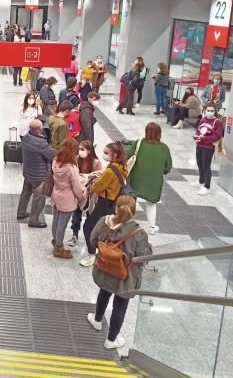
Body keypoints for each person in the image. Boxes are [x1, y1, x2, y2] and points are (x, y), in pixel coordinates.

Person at [87, 196, 152, 349]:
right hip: (126, 277)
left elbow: (93, 240)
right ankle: (111, 340)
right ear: (133, 213)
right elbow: (143, 258)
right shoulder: (138, 233)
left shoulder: (104, 221)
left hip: (105, 269)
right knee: (120, 305)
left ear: (116, 208)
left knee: (104, 292)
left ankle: (97, 320)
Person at [80, 142, 128, 267]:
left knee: (88, 226)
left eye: (107, 153)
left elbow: (96, 186)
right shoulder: (121, 167)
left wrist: (96, 180)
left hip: (104, 203)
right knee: (106, 228)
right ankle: (103, 251)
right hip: (114, 203)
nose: (104, 155)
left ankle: (92, 253)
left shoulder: (110, 171)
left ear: (115, 154)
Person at [126, 122, 172, 234]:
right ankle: (152, 227)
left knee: (131, 201)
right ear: (159, 133)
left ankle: (127, 223)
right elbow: (167, 168)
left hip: (137, 178)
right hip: (154, 182)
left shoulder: (139, 143)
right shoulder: (164, 148)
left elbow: (128, 157)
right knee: (151, 204)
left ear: (146, 132)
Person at [17, 119, 57, 228]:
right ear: (39, 130)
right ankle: (33, 220)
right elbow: (52, 156)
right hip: (39, 176)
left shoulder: (25, 138)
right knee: (39, 198)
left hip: (28, 172)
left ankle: (21, 213)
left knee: (25, 192)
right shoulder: (41, 143)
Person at [51, 138, 85, 259]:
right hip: (67, 199)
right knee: (62, 225)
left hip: (56, 194)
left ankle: (55, 241)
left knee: (56, 220)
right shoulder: (72, 168)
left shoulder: (55, 161)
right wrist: (81, 197)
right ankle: (59, 248)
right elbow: (76, 187)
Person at [68, 140, 103, 246]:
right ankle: (75, 235)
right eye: (79, 149)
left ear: (89, 151)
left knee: (90, 214)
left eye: (82, 149)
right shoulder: (77, 159)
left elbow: (99, 177)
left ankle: (91, 237)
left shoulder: (96, 162)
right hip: (78, 191)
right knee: (76, 213)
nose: (80, 151)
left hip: (90, 193)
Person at [194, 102, 224, 196]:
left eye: (212, 111)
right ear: (205, 110)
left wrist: (204, 139)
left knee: (206, 166)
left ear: (215, 112)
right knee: (199, 163)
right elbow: (198, 130)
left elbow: (217, 136)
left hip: (209, 147)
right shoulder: (203, 119)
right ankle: (201, 181)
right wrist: (196, 136)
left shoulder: (217, 122)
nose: (210, 112)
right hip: (200, 145)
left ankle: (207, 186)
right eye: (208, 110)